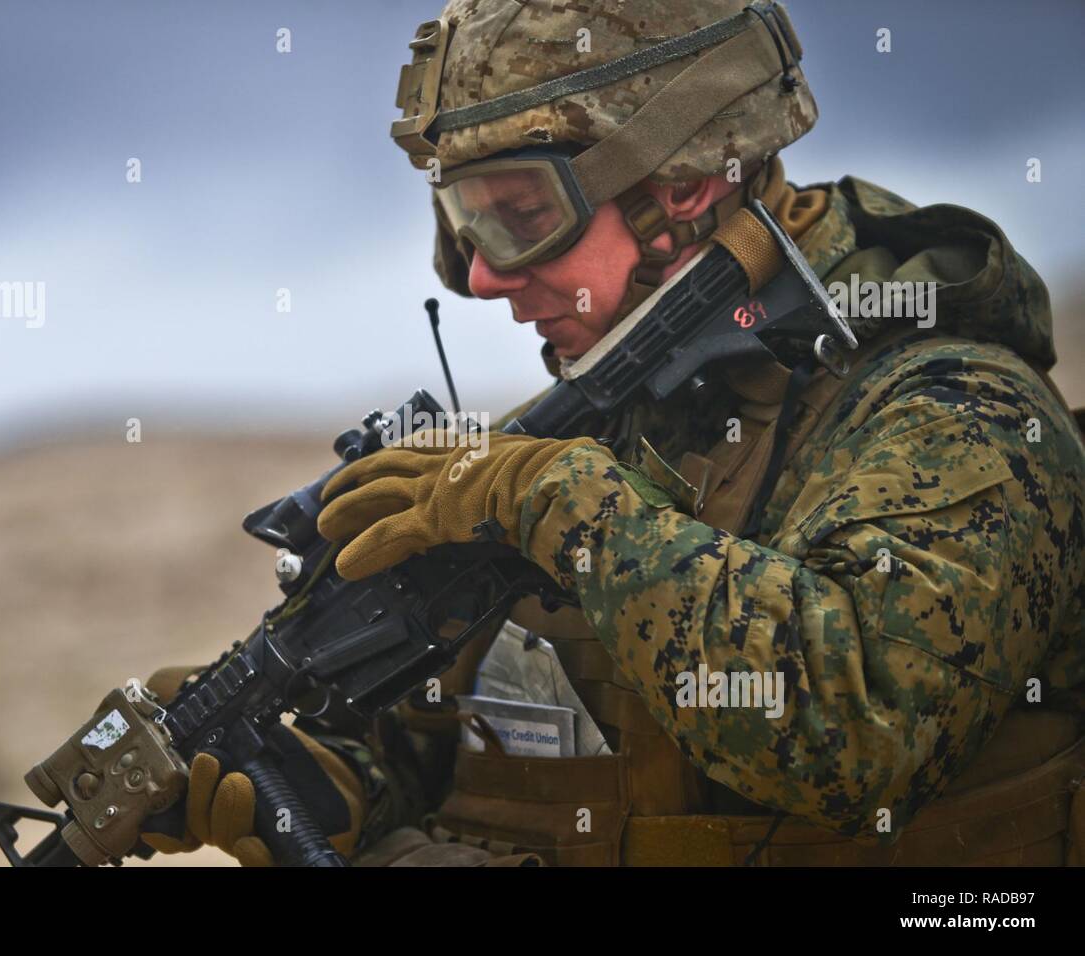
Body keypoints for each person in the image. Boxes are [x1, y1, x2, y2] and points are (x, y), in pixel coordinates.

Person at [144, 0, 1085, 866]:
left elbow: (858, 735)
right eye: (461, 223)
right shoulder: (552, 445)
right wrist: (320, 791)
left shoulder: (962, 416)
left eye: (518, 216)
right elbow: (437, 761)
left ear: (679, 188)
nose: (479, 278)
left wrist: (557, 508)